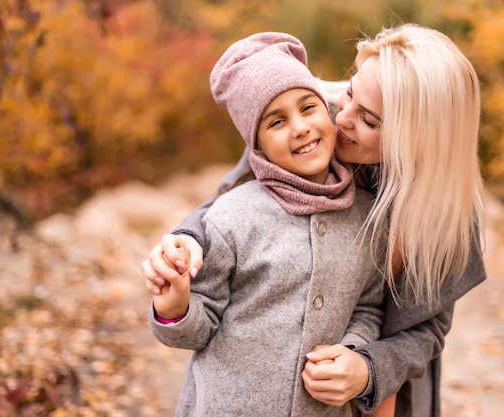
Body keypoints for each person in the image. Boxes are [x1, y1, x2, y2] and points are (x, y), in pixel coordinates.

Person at [143, 23, 487, 417]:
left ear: (417, 141)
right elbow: (228, 206)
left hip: (385, 378)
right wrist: (185, 241)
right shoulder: (301, 113)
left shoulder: (449, 216)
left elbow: (425, 329)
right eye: (349, 93)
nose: (342, 118)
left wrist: (368, 369)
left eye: (369, 121)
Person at [147, 32, 394, 416]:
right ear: (257, 145)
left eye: (308, 107)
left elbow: (369, 307)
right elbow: (198, 329)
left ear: (327, 111)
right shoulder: (232, 218)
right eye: (277, 121)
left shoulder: (366, 218)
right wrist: (175, 307)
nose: (299, 127)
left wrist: (351, 349)